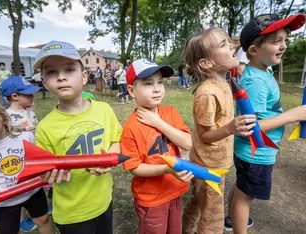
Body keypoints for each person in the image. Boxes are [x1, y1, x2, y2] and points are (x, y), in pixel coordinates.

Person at [225, 14, 306, 234]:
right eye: (276, 41)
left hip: (254, 151)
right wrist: (293, 114)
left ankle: (231, 219)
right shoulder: (255, 81)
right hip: (255, 151)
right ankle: (237, 226)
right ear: (254, 50)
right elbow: (251, 127)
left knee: (242, 187)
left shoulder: (263, 70)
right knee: (246, 196)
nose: (283, 45)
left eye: (285, 39)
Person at [33, 40, 123, 234]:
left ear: (83, 77)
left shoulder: (104, 110)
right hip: (72, 212)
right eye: (51, 72)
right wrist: (50, 175)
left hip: (104, 198)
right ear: (44, 82)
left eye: (69, 70)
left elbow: (116, 140)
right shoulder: (44, 128)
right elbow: (44, 170)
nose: (61, 77)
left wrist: (109, 159)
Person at [181, 28, 257, 234]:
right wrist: (230, 128)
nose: (232, 45)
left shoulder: (225, 82)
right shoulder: (206, 93)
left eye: (229, 42)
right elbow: (206, 135)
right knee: (212, 217)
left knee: (198, 202)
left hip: (215, 162)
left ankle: (184, 229)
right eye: (223, 45)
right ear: (206, 63)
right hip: (209, 166)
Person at [121, 58, 194, 234]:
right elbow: (134, 167)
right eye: (148, 83)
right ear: (131, 90)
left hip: (175, 189)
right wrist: (167, 170)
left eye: (160, 82)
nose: (156, 89)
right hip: (151, 198)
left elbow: (187, 143)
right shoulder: (131, 127)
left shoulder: (170, 113)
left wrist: (159, 123)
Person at [0, 98, 53, 234]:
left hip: (32, 191)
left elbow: (39, 160)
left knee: (43, 220)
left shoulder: (26, 138)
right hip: (4, 200)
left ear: (3, 118)